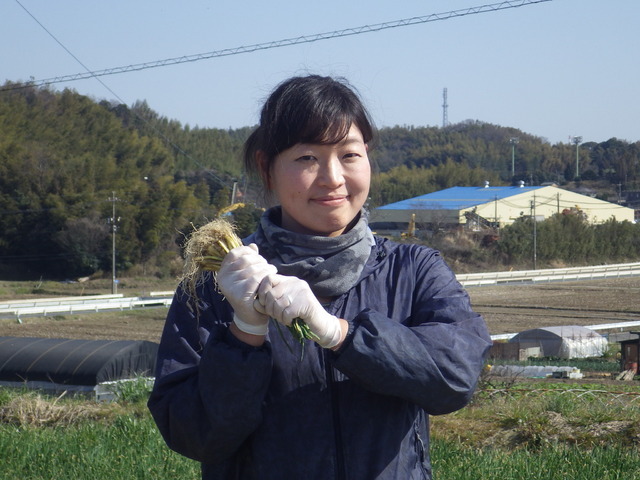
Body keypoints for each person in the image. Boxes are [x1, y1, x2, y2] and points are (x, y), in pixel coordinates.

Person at [148, 74, 492, 480]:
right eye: (307, 159)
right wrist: (244, 333)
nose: (333, 177)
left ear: (368, 157)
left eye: (349, 155)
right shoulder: (219, 284)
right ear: (266, 168)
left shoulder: (414, 269)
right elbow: (192, 436)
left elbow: (454, 380)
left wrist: (340, 334)